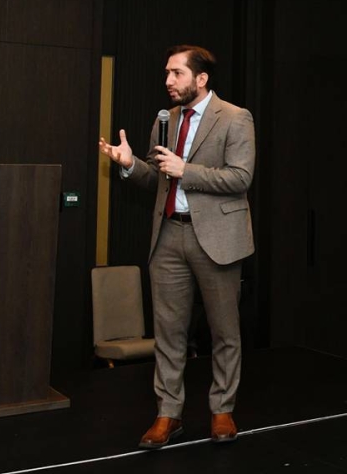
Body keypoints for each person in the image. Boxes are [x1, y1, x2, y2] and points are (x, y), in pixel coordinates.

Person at [98, 45, 255, 449]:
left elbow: (240, 178)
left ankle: (222, 409)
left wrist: (187, 170)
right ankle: (168, 414)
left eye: (177, 73)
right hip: (168, 235)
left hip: (217, 239)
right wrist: (131, 165)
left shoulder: (235, 118)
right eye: (167, 73)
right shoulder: (164, 120)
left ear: (201, 78)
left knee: (224, 330)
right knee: (168, 332)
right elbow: (159, 179)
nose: (168, 81)